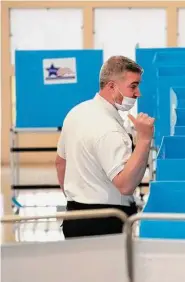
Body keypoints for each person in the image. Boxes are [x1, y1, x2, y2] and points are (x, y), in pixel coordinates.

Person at [55, 55, 154, 238]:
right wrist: (144, 139)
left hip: (74, 215)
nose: (138, 92)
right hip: (105, 222)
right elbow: (125, 186)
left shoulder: (76, 112)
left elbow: (60, 163)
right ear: (111, 86)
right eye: (133, 86)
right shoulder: (110, 130)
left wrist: (78, 199)